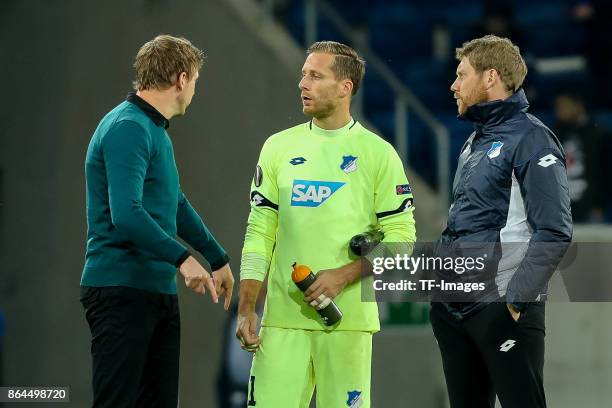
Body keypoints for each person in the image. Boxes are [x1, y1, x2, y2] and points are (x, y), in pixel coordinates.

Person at [236, 41, 416, 407]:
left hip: (348, 324)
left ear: (345, 87)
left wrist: (343, 275)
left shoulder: (378, 154)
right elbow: (258, 233)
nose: (303, 84)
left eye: (315, 76)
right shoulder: (277, 148)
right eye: (304, 74)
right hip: (282, 323)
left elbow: (403, 241)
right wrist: (246, 306)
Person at [80, 34, 234, 408]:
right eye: (195, 81)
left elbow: (173, 204)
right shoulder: (128, 127)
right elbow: (127, 214)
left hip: (155, 291)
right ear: (181, 79)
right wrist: (184, 259)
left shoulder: (154, 131)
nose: (194, 90)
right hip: (121, 290)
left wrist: (218, 258)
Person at [430, 35, 572, 408]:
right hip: (454, 308)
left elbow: (554, 230)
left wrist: (515, 301)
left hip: (501, 306)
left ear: (490, 76)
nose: (453, 85)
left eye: (461, 75)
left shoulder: (533, 140)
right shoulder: (473, 143)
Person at [553, 90, 610, 223]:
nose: (559, 111)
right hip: (560, 208)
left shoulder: (598, 134)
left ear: (578, 106)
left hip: (590, 207)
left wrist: (599, 204)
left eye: (564, 107)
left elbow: (604, 173)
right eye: (557, 107)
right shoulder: (553, 133)